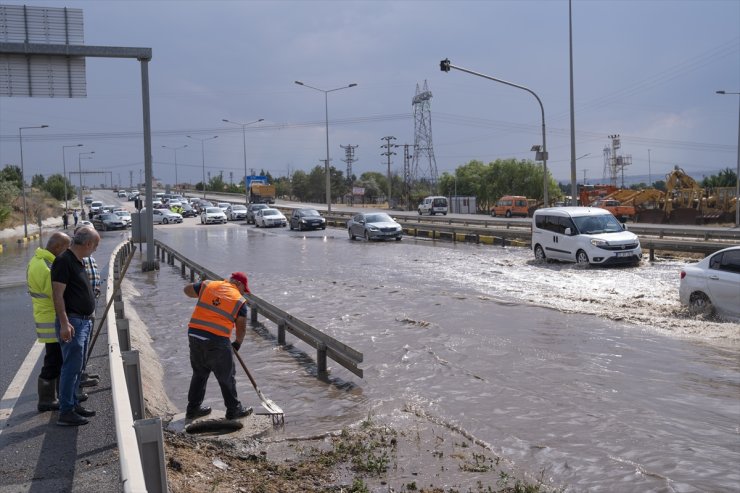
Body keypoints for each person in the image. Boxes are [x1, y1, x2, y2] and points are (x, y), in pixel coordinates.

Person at [183, 272, 253, 420]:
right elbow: (241, 327)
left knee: (199, 372)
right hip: (217, 339)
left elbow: (187, 290)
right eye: (244, 289)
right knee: (226, 375)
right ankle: (234, 410)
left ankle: (193, 409)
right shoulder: (239, 300)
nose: (243, 292)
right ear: (238, 284)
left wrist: (206, 295)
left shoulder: (209, 285)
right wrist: (238, 343)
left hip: (194, 334)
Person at [51, 226, 100, 426]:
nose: (95, 250)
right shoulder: (64, 261)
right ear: (88, 244)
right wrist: (64, 323)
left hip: (83, 321)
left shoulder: (78, 261)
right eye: (95, 246)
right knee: (70, 368)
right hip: (73, 322)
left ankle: (73, 402)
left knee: (78, 367)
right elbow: (57, 295)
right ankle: (66, 411)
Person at [27, 232, 71, 412]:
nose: (68, 252)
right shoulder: (47, 266)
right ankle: (46, 400)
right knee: (53, 360)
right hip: (50, 318)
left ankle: (56, 395)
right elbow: (56, 295)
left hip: (46, 316)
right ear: (58, 247)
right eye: (66, 248)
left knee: (56, 358)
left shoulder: (38, 260)